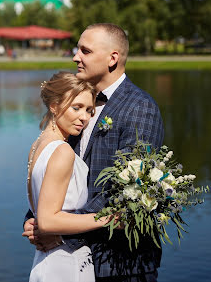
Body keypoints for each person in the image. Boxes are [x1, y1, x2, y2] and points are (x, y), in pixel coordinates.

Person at [23, 23, 164, 281]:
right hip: (76, 262)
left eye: (85, 51)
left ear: (113, 58)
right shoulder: (78, 106)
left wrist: (57, 227)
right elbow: (57, 174)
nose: (76, 56)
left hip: (121, 265)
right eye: (78, 49)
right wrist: (34, 219)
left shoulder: (140, 108)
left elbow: (124, 193)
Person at [26, 71, 112, 282]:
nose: (84, 117)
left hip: (47, 259)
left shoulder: (37, 145)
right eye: (77, 108)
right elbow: (47, 220)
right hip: (66, 264)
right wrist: (109, 218)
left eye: (89, 110)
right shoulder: (62, 152)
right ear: (54, 106)